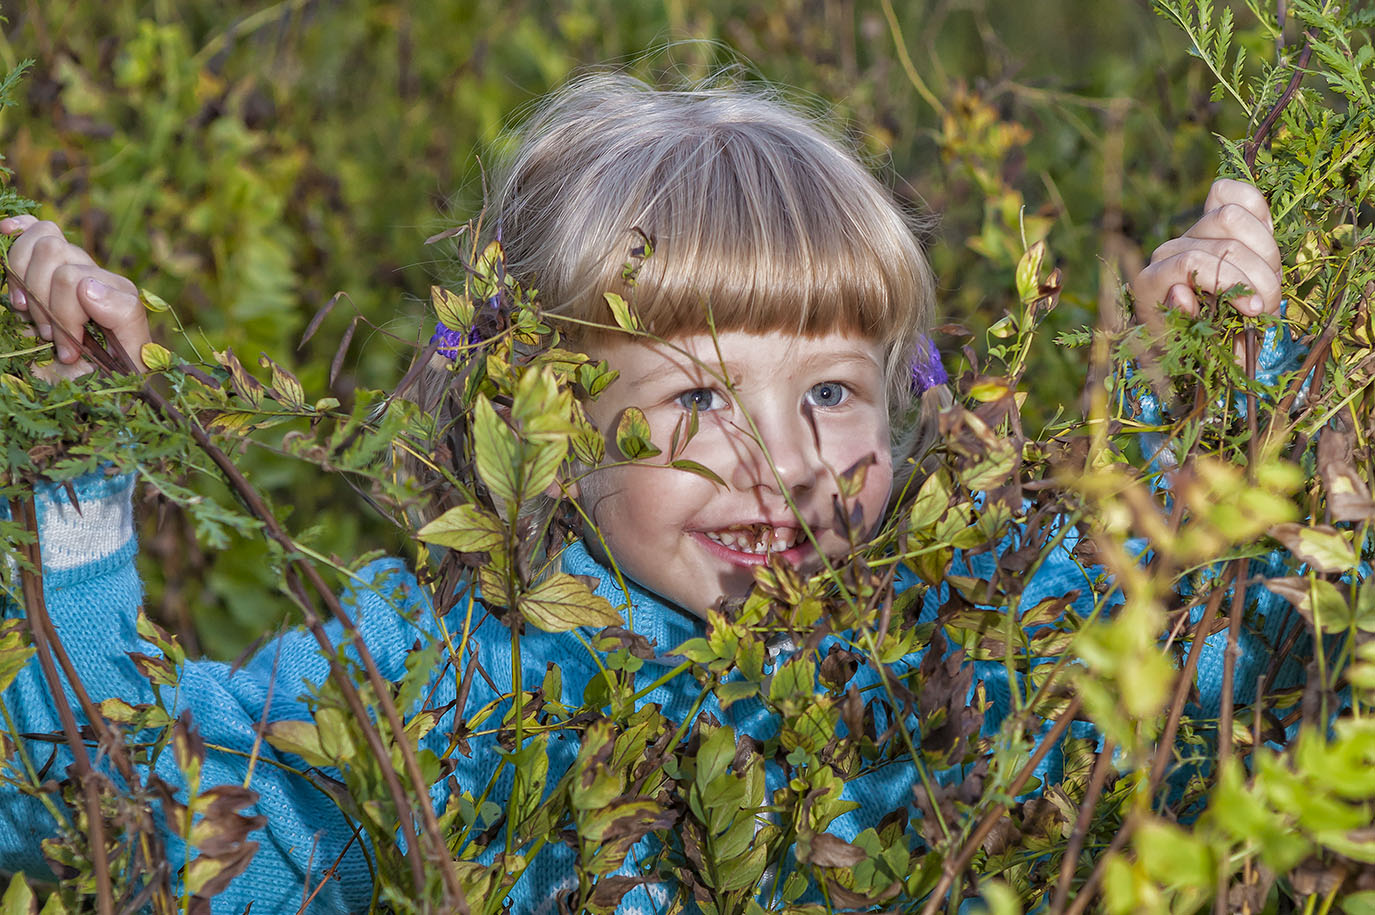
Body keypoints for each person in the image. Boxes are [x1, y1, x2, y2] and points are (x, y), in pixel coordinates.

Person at [0, 75, 1287, 913]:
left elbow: (1229, 686)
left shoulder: (952, 651)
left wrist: (1228, 393)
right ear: (550, 428)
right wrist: (71, 463)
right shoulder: (425, 685)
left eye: (832, 393)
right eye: (699, 399)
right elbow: (121, 819)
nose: (787, 464)